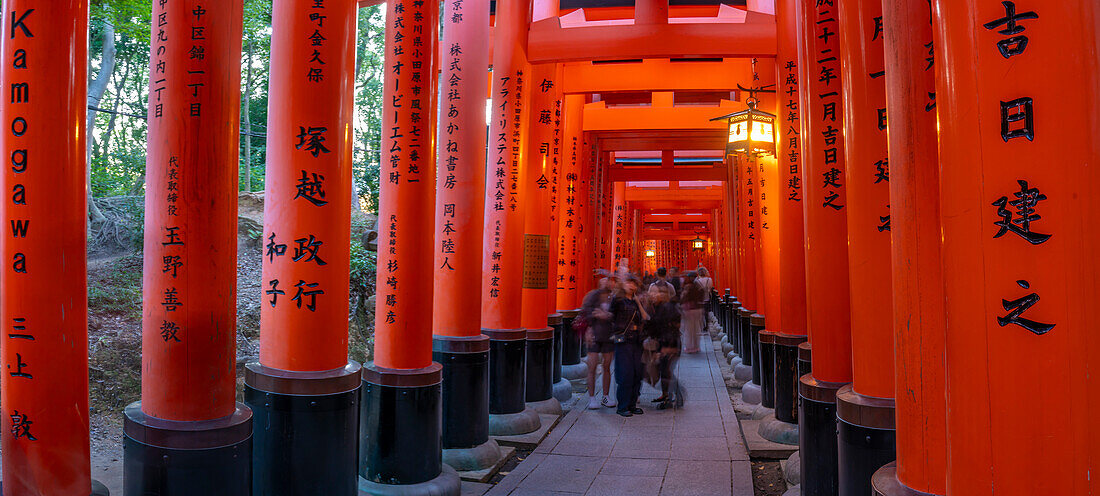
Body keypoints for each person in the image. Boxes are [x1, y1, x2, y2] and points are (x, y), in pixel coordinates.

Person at [610, 276, 649, 417]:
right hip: (624, 341)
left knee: (637, 373)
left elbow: (645, 317)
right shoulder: (618, 300)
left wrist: (638, 301)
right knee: (625, 373)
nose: (631, 286)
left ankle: (632, 404)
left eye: (634, 283)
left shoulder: (637, 301)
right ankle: (623, 406)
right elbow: (611, 317)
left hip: (637, 341)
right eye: (628, 283)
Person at [580, 276, 618, 409]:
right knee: (592, 367)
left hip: (608, 335)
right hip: (594, 334)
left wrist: (608, 315)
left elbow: (617, 314)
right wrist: (593, 319)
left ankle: (606, 396)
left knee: (607, 367)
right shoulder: (592, 296)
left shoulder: (614, 297)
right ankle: (591, 398)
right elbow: (585, 313)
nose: (605, 282)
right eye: (602, 280)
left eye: (608, 280)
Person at [645, 284, 683, 409]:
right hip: (664, 342)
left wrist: (667, 347)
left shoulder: (668, 308)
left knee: (666, 371)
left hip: (669, 343)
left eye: (658, 292)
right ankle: (666, 394)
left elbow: (671, 328)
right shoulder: (658, 306)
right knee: (664, 370)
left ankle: (675, 395)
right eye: (652, 292)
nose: (654, 295)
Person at [679, 271, 705, 353]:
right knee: (697, 329)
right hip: (698, 309)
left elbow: (683, 297)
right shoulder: (699, 286)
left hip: (689, 309)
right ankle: (696, 346)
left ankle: (690, 347)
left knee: (689, 329)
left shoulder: (688, 287)